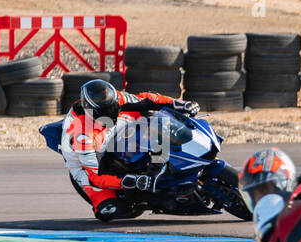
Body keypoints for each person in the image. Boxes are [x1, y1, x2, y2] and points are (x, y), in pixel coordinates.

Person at [59, 79, 199, 221]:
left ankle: (162, 158)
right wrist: (132, 181)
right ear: (93, 112)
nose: (112, 111)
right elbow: (95, 177)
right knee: (111, 211)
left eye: (113, 106)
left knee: (150, 113)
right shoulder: (81, 135)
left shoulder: (112, 99)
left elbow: (147, 99)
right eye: (107, 111)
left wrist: (179, 104)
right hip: (87, 165)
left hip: (109, 128)